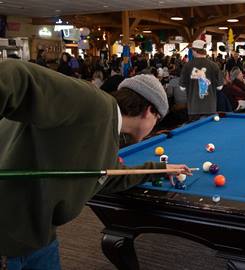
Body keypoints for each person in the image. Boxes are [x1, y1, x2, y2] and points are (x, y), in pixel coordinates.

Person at [0, 60, 191, 270]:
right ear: (148, 111)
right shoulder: (95, 103)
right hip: (9, 241)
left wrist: (158, 170)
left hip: (38, 237)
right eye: (158, 119)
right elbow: (13, 75)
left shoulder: (104, 127)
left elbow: (105, 176)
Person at [179, 39, 224, 120]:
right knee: (210, 132)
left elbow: (182, 88)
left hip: (193, 108)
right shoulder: (214, 66)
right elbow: (220, 87)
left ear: (195, 50)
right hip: (210, 107)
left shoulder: (187, 66)